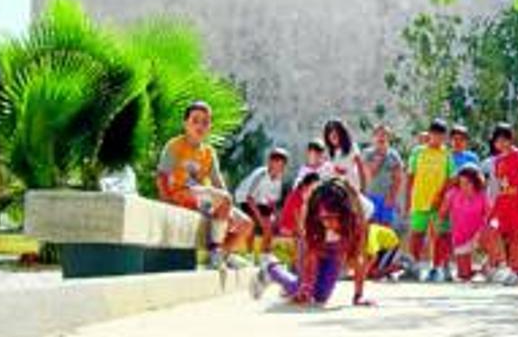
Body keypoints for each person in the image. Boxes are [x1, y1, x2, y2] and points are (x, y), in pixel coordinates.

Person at [156, 101, 253, 269]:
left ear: (210, 127)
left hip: (204, 199)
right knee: (221, 197)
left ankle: (224, 254)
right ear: (185, 124)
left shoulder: (209, 152)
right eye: (195, 120)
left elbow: (218, 183)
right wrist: (167, 202)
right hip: (182, 193)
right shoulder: (175, 145)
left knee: (246, 224)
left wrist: (227, 208)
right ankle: (215, 250)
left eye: (205, 122)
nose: (200, 125)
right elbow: (162, 176)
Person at [252, 179, 373, 306]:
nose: (326, 223)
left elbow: (359, 256)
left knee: (321, 297)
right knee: (306, 292)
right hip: (314, 244)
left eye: (331, 217)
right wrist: (306, 287)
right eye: (323, 218)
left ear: (344, 214)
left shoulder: (357, 219)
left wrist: (358, 296)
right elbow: (310, 253)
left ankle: (279, 276)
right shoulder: (312, 216)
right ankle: (271, 268)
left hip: (337, 247)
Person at [406, 118, 455, 282]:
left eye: (442, 136)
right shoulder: (418, 152)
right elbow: (411, 176)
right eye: (436, 135)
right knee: (417, 235)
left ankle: (436, 268)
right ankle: (414, 266)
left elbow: (451, 178)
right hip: (420, 201)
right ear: (430, 134)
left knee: (440, 236)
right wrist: (409, 199)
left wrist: (441, 196)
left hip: (439, 204)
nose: (439, 139)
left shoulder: (446, 154)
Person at [489, 122, 518, 283]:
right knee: (503, 236)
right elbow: (501, 185)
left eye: (504, 139)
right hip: (504, 203)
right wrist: (495, 209)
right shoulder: (497, 161)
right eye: (497, 141)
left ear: (511, 139)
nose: (501, 144)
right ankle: (509, 267)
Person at [438, 164, 501, 282]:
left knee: (493, 229)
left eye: (467, 183)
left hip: (478, 235)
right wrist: (441, 229)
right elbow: (442, 214)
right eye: (461, 183)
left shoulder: (482, 195)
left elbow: (492, 215)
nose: (464, 186)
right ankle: (482, 270)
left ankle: (492, 266)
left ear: (475, 182)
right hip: (460, 237)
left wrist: (491, 228)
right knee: (464, 275)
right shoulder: (452, 193)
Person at [235, 147, 289, 255]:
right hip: (245, 199)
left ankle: (264, 255)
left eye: (282, 165)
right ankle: (248, 254)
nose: (279, 168)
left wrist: (276, 216)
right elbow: (249, 199)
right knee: (252, 224)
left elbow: (272, 201)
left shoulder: (279, 178)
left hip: (260, 201)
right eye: (277, 164)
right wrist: (260, 219)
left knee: (270, 226)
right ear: (270, 163)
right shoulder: (261, 175)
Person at [363, 124, 404, 226]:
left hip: (387, 197)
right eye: (378, 134)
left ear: (389, 137)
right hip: (370, 197)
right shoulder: (367, 153)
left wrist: (393, 196)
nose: (381, 137)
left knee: (386, 228)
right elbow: (368, 175)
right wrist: (379, 158)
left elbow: (398, 178)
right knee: (371, 228)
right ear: (373, 137)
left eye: (384, 135)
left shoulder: (394, 155)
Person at [324, 119, 366, 192]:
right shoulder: (328, 151)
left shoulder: (352, 147)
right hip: (334, 188)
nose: (332, 137)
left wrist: (362, 188)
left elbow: (361, 169)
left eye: (335, 134)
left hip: (352, 187)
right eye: (330, 134)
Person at [278, 172, 321, 238]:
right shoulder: (296, 195)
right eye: (313, 189)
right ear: (305, 186)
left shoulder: (306, 198)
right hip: (288, 229)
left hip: (296, 229)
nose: (314, 192)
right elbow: (295, 214)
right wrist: (301, 229)